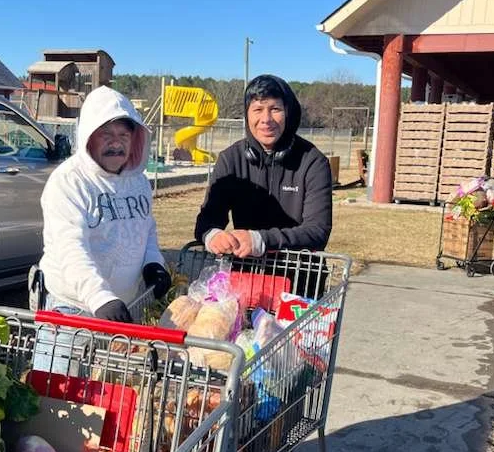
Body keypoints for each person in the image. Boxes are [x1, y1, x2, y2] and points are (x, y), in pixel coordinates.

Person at [39, 85, 171, 323]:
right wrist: (99, 297)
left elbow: (147, 228)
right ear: (89, 137)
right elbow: (70, 247)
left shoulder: (138, 181)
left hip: (124, 308)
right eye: (106, 135)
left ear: (135, 139)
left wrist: (153, 262)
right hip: (72, 310)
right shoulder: (69, 181)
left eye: (124, 135)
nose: (116, 144)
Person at [195, 74, 332, 257]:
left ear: (288, 112)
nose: (266, 119)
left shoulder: (313, 162)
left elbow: (317, 232)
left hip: (300, 276)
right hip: (247, 276)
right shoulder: (230, 159)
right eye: (257, 109)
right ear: (247, 114)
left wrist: (260, 240)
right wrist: (214, 236)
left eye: (275, 109)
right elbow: (207, 220)